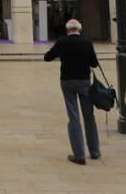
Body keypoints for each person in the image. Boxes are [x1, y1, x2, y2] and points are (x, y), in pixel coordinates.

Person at [43, 19, 101, 165]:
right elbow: (94, 63)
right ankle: (94, 151)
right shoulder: (87, 41)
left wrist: (62, 55)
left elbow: (47, 57)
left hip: (67, 81)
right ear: (80, 29)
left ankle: (79, 155)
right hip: (84, 81)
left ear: (67, 30)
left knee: (73, 116)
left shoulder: (62, 41)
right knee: (89, 116)